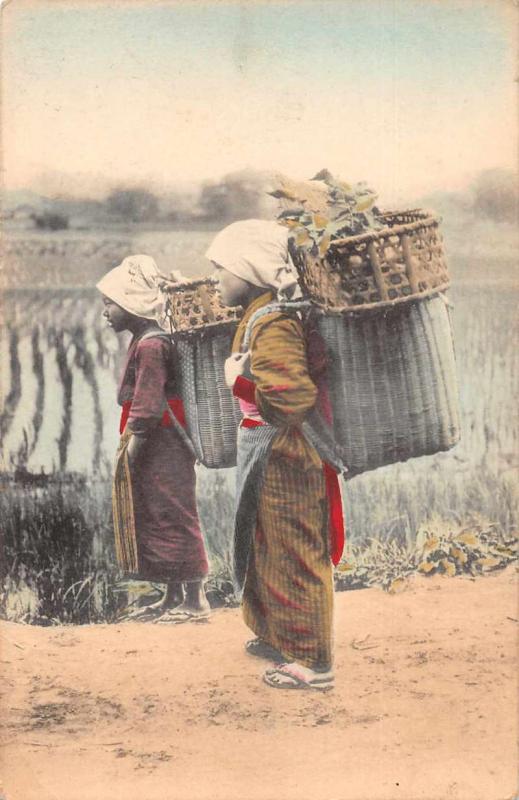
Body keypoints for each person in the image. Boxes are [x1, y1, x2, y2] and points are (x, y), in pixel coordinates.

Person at [206, 220, 345, 690]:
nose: (216, 277)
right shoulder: (261, 315)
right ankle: (279, 634)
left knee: (295, 550)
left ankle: (313, 660)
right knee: (265, 544)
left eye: (222, 266)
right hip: (269, 451)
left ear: (249, 269)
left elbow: (289, 401)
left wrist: (236, 383)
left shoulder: (274, 322)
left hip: (287, 454)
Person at [97, 255, 210, 623]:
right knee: (157, 514)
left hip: (161, 442)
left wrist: (131, 449)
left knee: (174, 512)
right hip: (153, 441)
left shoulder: (151, 346)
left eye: (110, 303)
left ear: (131, 303)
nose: (106, 312)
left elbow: (146, 407)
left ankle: (196, 601)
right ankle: (171, 595)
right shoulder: (145, 340)